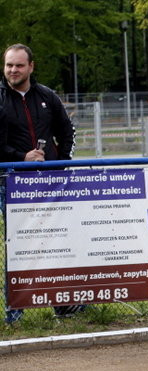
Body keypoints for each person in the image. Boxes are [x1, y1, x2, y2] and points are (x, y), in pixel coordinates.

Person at [1, 43, 80, 322]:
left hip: (51, 183)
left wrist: (62, 163)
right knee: (21, 244)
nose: (13, 70)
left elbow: (67, 130)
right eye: (9, 65)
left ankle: (65, 306)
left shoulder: (47, 96)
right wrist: (21, 157)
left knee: (58, 242)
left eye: (19, 65)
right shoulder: (0, 99)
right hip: (13, 184)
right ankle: (16, 312)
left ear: (31, 67)